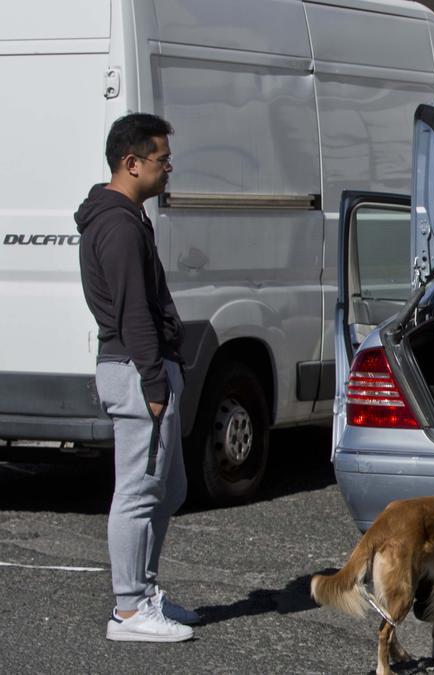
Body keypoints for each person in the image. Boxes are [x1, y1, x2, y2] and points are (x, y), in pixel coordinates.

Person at [77, 113, 199, 642]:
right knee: (137, 491)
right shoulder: (119, 224)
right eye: (162, 160)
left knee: (167, 487)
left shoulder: (125, 219)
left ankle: (144, 591)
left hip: (140, 368)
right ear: (132, 163)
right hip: (135, 370)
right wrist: (154, 382)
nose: (168, 169)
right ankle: (128, 610)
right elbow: (133, 314)